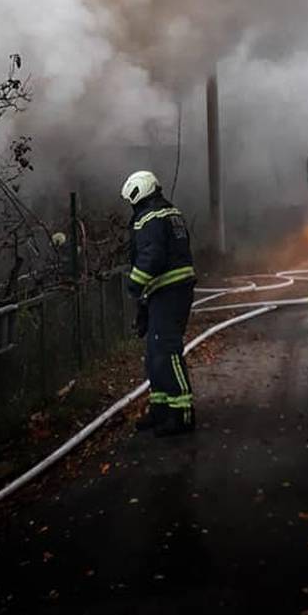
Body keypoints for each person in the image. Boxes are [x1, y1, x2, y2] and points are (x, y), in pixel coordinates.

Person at [121, 170, 196, 437]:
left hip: (169, 291)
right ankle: (161, 408)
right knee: (155, 354)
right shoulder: (168, 213)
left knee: (167, 349)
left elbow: (151, 256)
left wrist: (134, 284)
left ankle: (182, 412)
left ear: (138, 193)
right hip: (167, 290)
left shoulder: (149, 218)